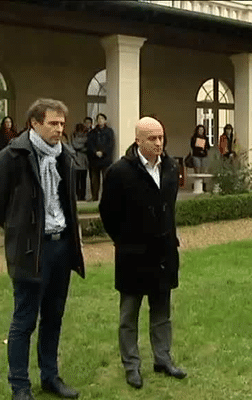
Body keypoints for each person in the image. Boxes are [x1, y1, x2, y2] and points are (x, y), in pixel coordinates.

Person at [0, 99, 85, 400]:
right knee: (24, 319)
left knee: (53, 317)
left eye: (62, 124)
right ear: (35, 124)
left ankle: (50, 377)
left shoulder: (65, 155)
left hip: (61, 247)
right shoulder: (13, 156)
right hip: (30, 250)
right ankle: (20, 385)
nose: (59, 129)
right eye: (53, 124)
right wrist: (20, 228)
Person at [99, 117, 185, 390]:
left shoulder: (170, 167)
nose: (159, 143)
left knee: (162, 312)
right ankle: (132, 366)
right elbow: (108, 213)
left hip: (164, 253)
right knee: (129, 316)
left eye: (161, 138)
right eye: (152, 139)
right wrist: (125, 241)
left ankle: (163, 359)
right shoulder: (119, 172)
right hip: (133, 255)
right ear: (138, 140)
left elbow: (168, 209)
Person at [87, 113, 115, 201]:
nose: (100, 120)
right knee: (94, 180)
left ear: (105, 120)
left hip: (106, 159)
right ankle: (94, 197)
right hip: (94, 160)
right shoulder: (92, 132)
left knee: (106, 179)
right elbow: (89, 144)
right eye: (98, 119)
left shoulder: (109, 131)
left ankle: (106, 198)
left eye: (102, 118)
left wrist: (103, 152)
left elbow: (110, 144)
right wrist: (95, 152)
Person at [70, 123, 89, 200]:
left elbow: (72, 146)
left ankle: (81, 196)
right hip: (78, 159)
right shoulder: (75, 135)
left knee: (80, 180)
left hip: (80, 159)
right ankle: (80, 195)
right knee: (79, 180)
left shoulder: (74, 137)